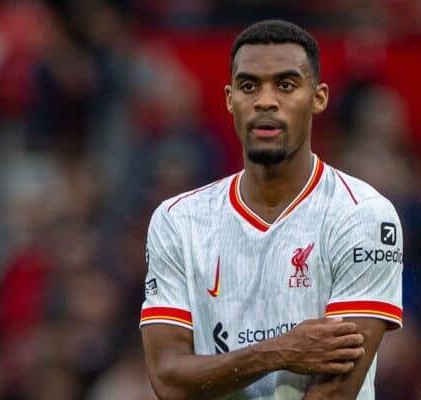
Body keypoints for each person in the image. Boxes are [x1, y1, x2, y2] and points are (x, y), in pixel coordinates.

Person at [140, 20, 403, 400]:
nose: (265, 100)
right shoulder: (177, 221)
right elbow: (167, 378)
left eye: (286, 84)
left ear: (319, 98)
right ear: (230, 99)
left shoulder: (363, 215)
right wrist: (277, 352)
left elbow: (334, 392)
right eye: (249, 86)